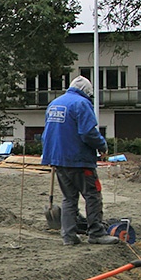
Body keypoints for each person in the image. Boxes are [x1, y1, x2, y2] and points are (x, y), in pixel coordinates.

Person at [41, 76, 119, 246]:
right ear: (87, 93)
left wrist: (50, 155)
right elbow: (88, 133)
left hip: (58, 159)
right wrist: (102, 145)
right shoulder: (82, 104)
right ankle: (96, 233)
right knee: (92, 195)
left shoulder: (54, 103)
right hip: (78, 160)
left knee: (69, 198)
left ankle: (68, 236)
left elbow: (48, 133)